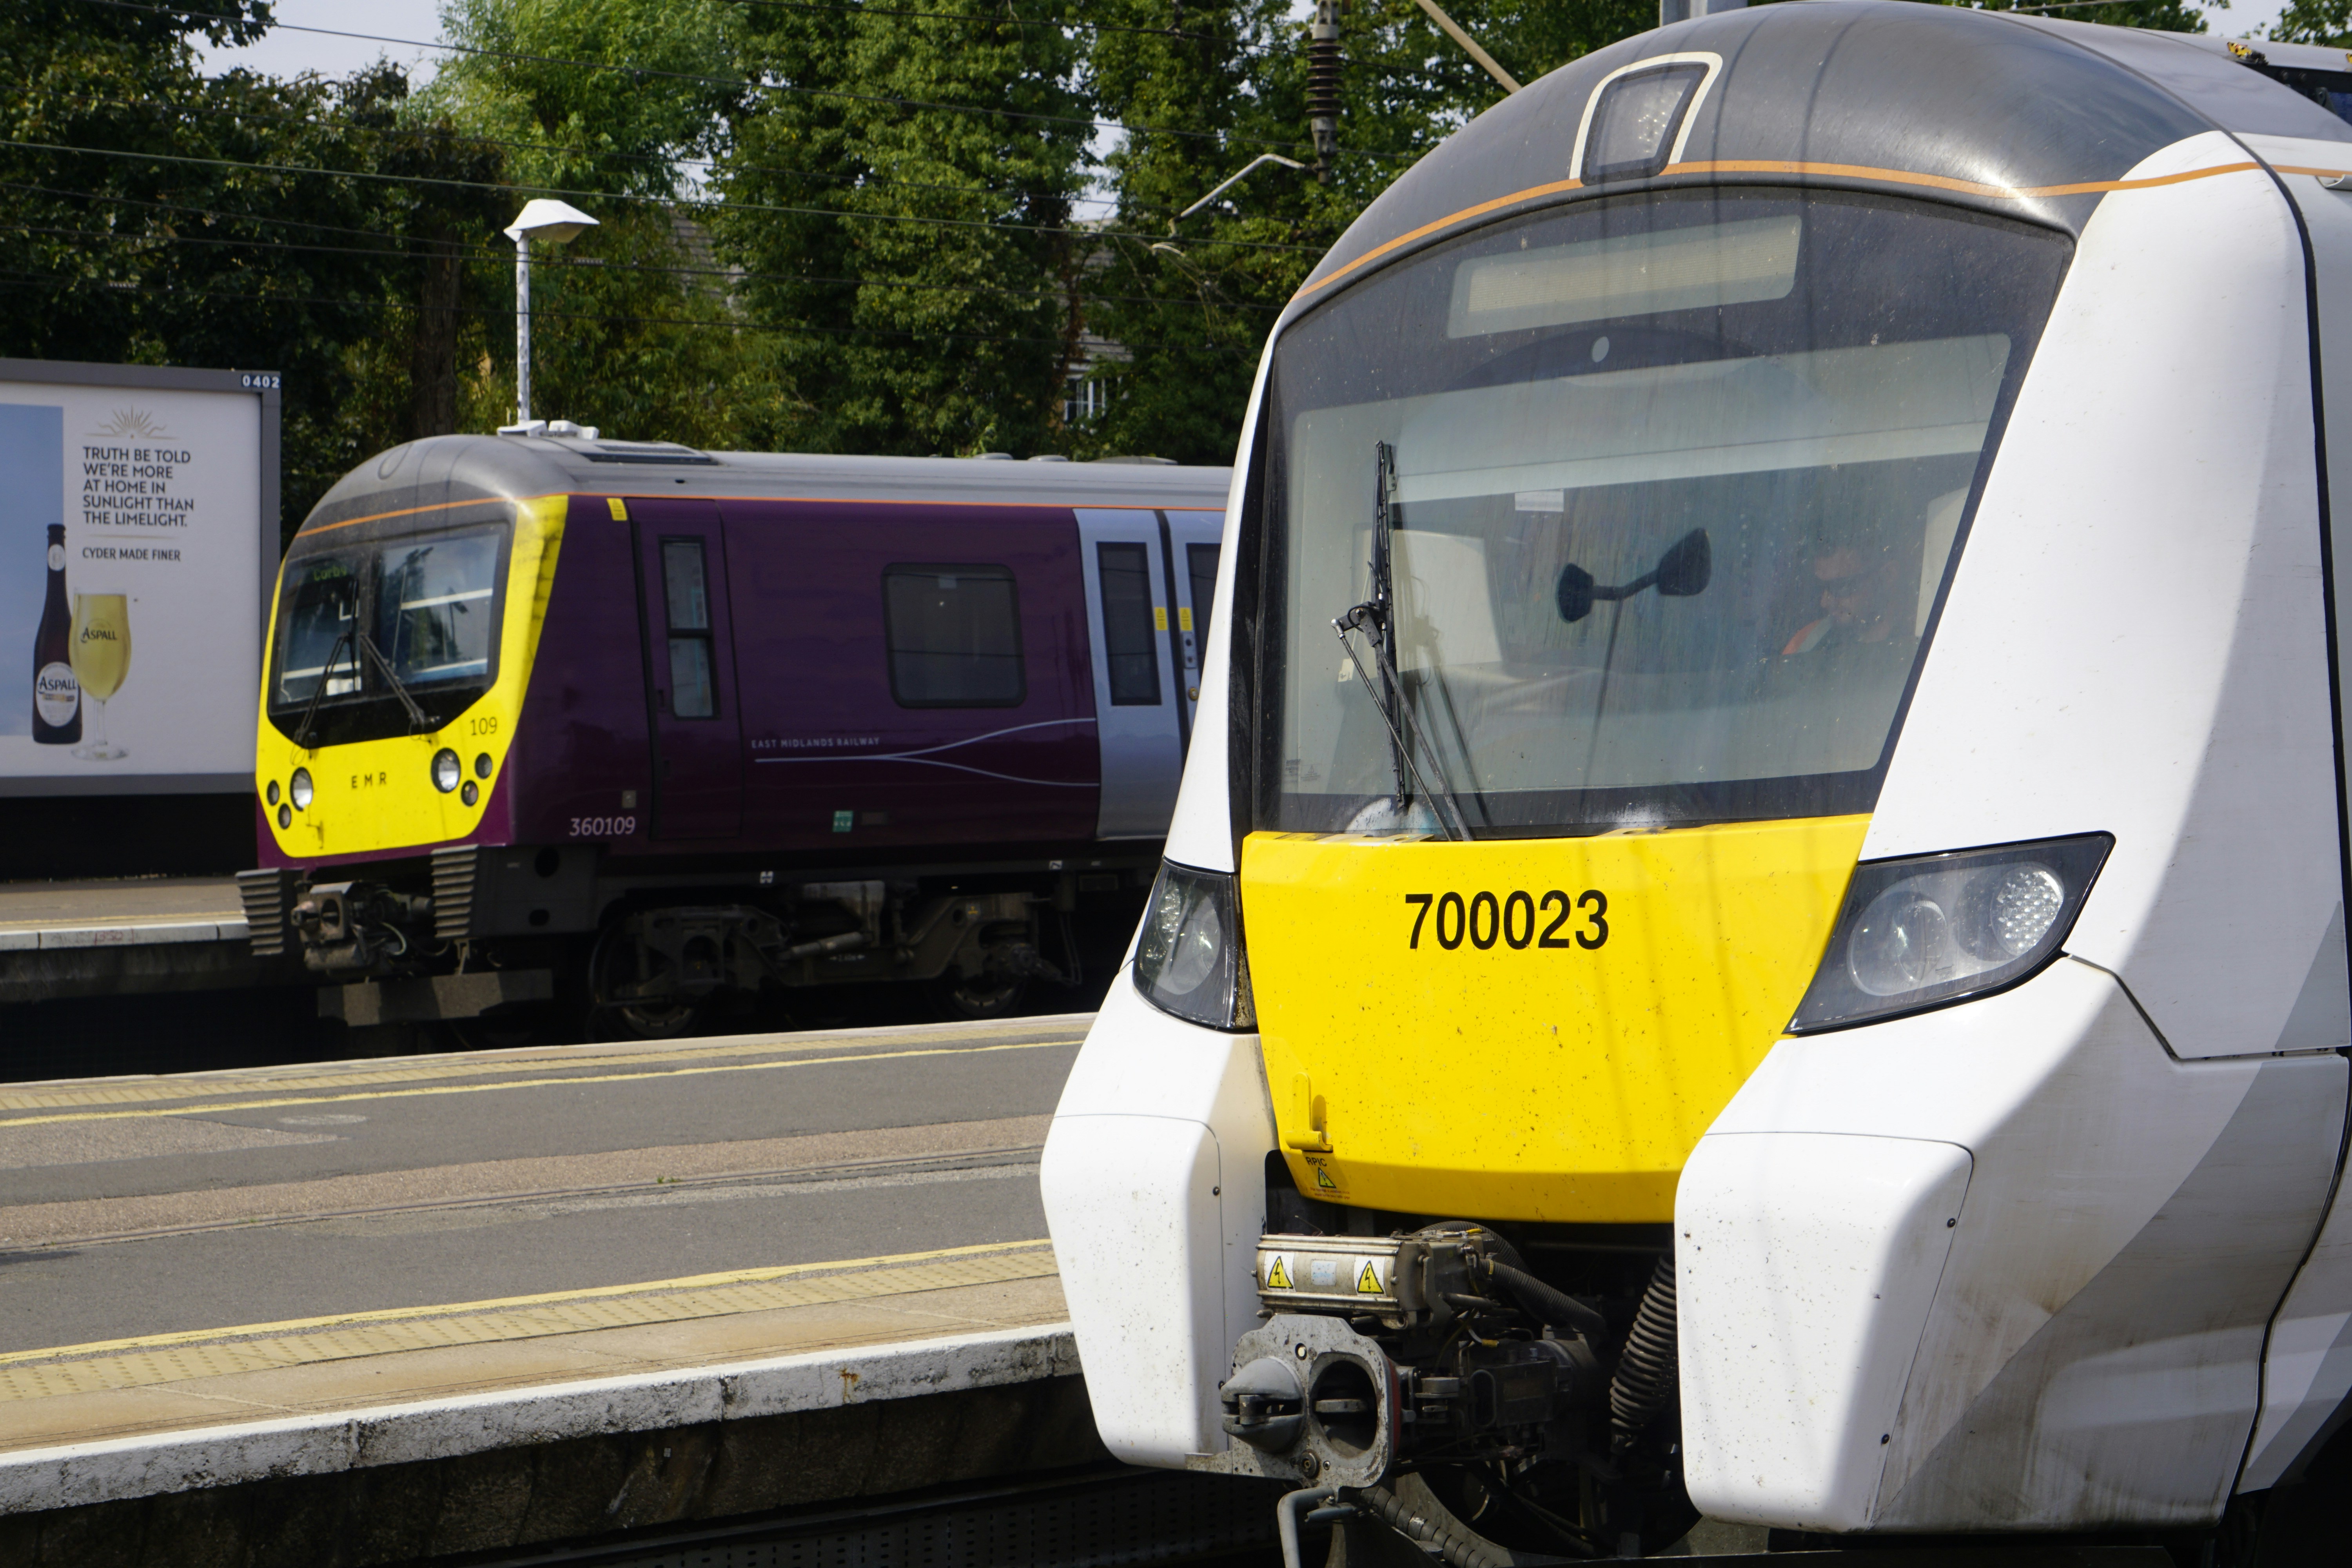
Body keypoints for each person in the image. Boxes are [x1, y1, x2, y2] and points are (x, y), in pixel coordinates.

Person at [1781, 543, 1906, 655]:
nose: (1824, 603)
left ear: (1888, 576)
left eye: (1840, 587)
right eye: (1820, 588)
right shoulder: (1808, 641)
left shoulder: (1913, 644)